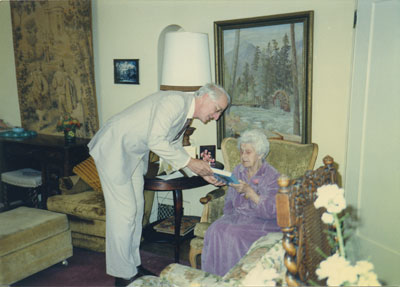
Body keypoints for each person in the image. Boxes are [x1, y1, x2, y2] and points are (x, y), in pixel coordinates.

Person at [88, 83, 229, 286]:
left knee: (136, 211)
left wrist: (203, 174)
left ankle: (133, 266)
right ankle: (122, 275)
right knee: (124, 213)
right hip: (114, 148)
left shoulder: (186, 113)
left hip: (133, 154)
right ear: (206, 98)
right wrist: (192, 163)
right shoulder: (174, 102)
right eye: (217, 110)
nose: (216, 117)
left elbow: (172, 146)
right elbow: (156, 140)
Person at [202, 129, 281, 276]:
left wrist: (250, 192)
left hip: (262, 222)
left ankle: (237, 279)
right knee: (215, 229)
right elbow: (229, 202)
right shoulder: (238, 170)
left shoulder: (272, 176)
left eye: (248, 152)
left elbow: (273, 211)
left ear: (260, 154)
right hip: (238, 217)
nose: (243, 156)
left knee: (233, 234)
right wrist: (228, 217)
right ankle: (215, 279)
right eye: (241, 151)